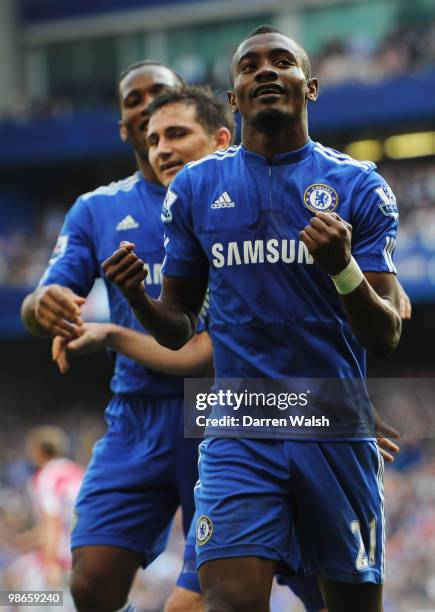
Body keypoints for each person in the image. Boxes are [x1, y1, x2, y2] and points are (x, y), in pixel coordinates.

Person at [102, 26, 404, 612]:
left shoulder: (358, 185)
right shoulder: (194, 188)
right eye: (249, 67)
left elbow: (386, 333)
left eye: (281, 61)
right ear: (235, 98)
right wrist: (140, 299)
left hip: (334, 426)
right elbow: (180, 323)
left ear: (310, 87)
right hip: (239, 427)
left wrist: (343, 267)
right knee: (227, 600)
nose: (265, 71)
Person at [20, 64, 231, 612]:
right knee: (90, 584)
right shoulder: (98, 209)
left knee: (218, 591)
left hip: (224, 409)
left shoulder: (234, 196)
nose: (148, 105)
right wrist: (41, 305)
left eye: (160, 94)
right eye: (134, 99)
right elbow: (42, 305)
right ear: (124, 126)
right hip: (137, 415)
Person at [7, 426, 83, 611]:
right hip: (86, 556)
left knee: (16, 594)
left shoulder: (47, 476)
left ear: (38, 451)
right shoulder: (78, 472)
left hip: (61, 561)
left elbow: (53, 520)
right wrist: (32, 539)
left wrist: (51, 563)